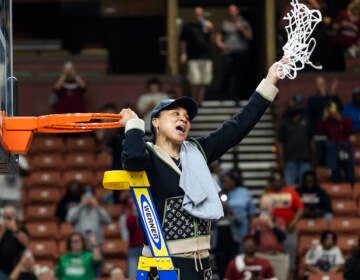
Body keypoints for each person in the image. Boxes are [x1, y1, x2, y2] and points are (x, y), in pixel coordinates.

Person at [119, 58, 286, 279]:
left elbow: (238, 127)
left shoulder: (196, 150)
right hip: (165, 264)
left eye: (187, 117)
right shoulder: (147, 153)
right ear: (156, 122)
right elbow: (133, 160)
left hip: (203, 264)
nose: (183, 119)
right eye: (175, 114)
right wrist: (133, 126)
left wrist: (270, 80)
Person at [265, 169, 304, 279]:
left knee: (290, 256)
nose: (277, 183)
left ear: (283, 181)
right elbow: (264, 211)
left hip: (288, 230)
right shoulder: (268, 194)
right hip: (272, 231)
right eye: (274, 180)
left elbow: (300, 209)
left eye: (279, 180)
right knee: (272, 256)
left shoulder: (291, 193)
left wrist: (293, 222)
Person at [216, 4, 253, 101]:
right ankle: (223, 96)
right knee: (226, 73)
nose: (231, 12)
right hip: (228, 51)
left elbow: (250, 37)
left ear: (237, 11)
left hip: (241, 51)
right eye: (230, 10)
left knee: (239, 74)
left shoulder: (244, 22)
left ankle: (236, 96)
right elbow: (219, 36)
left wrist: (242, 28)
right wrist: (220, 43)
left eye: (233, 10)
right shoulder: (225, 23)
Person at [180, 6, 214, 104]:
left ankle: (200, 101)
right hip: (192, 56)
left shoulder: (207, 26)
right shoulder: (188, 26)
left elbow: (212, 42)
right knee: (194, 80)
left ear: (203, 14)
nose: (198, 15)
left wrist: (211, 30)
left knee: (204, 80)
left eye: (200, 13)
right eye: (197, 13)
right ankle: (194, 100)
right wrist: (183, 53)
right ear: (194, 14)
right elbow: (183, 41)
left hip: (206, 56)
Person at [250, 195, 289, 280]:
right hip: (260, 256)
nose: (265, 207)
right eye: (263, 205)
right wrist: (259, 226)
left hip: (278, 256)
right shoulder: (255, 222)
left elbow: (282, 237)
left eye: (267, 205)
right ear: (260, 208)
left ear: (273, 208)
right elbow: (253, 241)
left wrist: (271, 225)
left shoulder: (280, 220)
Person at [316, 101, 355, 184]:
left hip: (344, 147)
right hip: (332, 148)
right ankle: (337, 184)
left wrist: (339, 118)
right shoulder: (326, 122)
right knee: (334, 169)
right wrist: (324, 118)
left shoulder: (345, 119)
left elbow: (350, 130)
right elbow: (319, 132)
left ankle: (352, 188)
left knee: (349, 170)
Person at [278, 99, 313, 186]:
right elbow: (280, 143)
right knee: (290, 187)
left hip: (305, 160)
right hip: (290, 161)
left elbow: (311, 141)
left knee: (305, 187)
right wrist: (281, 160)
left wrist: (313, 158)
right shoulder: (284, 123)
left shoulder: (306, 121)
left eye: (295, 105)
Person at [220, 169, 256, 242]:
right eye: (223, 182)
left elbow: (251, 211)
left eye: (226, 181)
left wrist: (252, 227)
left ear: (233, 181)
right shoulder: (221, 194)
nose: (224, 184)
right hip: (226, 228)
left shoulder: (244, 192)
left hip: (242, 225)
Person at [0, 206, 30, 278]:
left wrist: (15, 230)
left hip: (18, 268)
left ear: (15, 217)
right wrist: (2, 231)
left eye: (9, 217)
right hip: (1, 269)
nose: (7, 220)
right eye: (5, 217)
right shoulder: (1, 229)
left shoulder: (21, 229)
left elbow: (26, 242)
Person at [119, 198, 144, 279]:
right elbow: (130, 228)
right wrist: (135, 215)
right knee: (132, 274)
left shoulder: (146, 216)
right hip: (133, 248)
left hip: (145, 248)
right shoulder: (128, 218)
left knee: (145, 274)